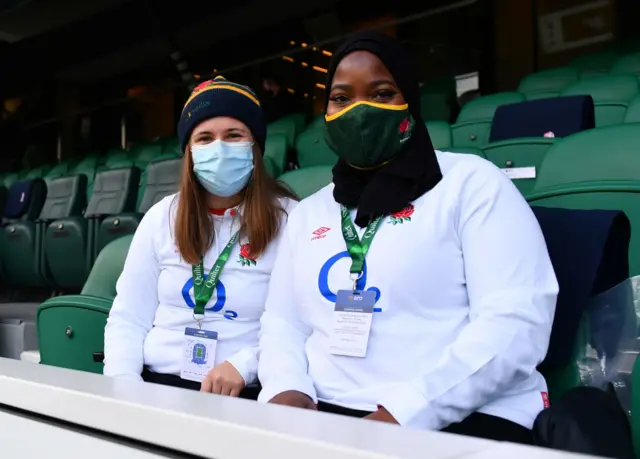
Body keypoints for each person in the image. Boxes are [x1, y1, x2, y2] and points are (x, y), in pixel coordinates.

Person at [257, 32, 558, 443]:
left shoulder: (470, 184)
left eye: (381, 94)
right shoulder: (310, 212)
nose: (358, 111)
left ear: (409, 104)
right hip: (329, 417)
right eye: (341, 98)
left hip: (460, 416)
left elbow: (515, 322)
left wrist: (403, 414)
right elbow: (283, 323)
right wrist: (285, 390)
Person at [104, 76, 296, 398]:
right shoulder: (161, 217)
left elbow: (301, 325)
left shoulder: (290, 220)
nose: (218, 148)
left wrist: (248, 364)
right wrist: (125, 388)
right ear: (189, 153)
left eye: (234, 135)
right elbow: (129, 316)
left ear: (256, 147)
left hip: (244, 393)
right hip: (156, 387)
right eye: (204, 138)